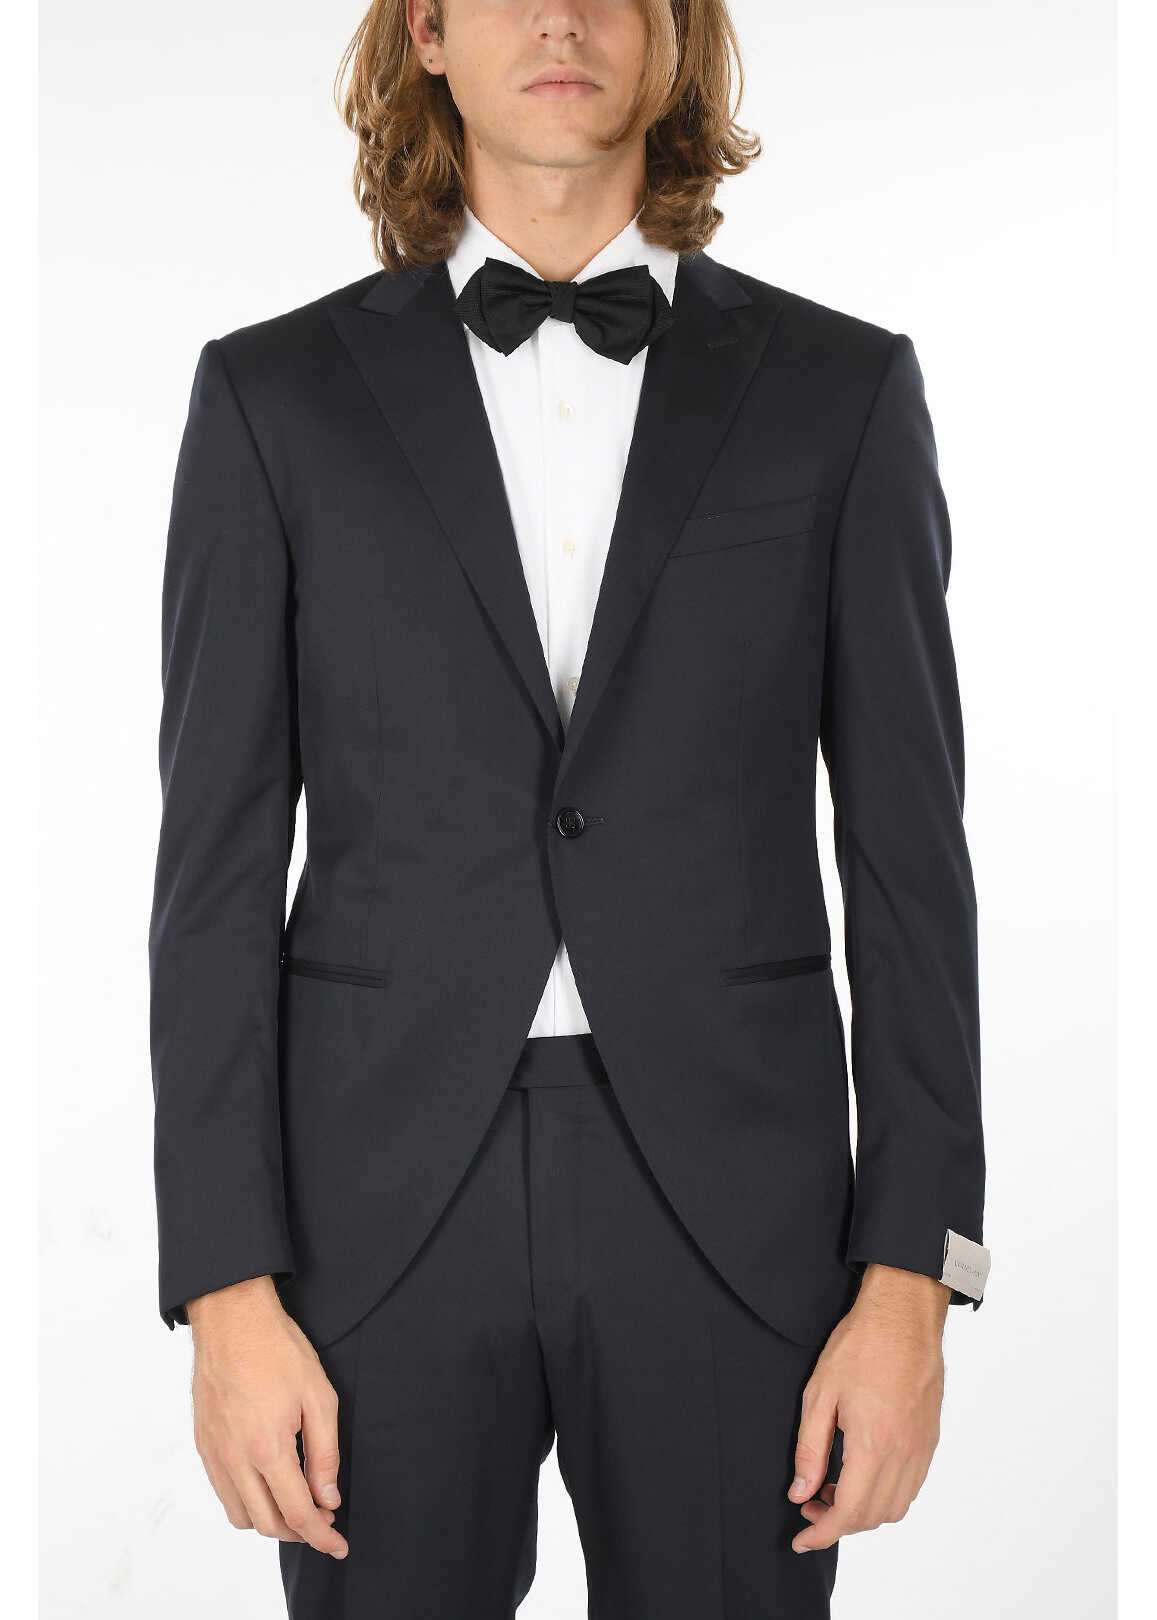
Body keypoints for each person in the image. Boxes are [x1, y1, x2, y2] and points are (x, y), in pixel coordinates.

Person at [147, 3, 990, 1615]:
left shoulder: (840, 391)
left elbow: (908, 868)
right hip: (370, 1219)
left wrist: (911, 1283)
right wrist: (224, 1286)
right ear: (427, 31)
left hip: (737, 1214)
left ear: (673, 36)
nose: (558, 17)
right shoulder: (272, 398)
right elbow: (212, 876)